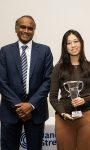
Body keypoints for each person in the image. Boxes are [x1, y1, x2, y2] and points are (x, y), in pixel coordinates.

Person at [0, 15, 53, 150]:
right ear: (16, 29)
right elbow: (2, 81)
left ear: (34, 31)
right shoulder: (5, 51)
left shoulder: (44, 51)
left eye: (30, 28)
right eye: (22, 27)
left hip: (36, 112)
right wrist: (20, 107)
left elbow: (48, 80)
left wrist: (31, 105)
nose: (26, 30)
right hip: (10, 112)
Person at [49, 29, 90, 150]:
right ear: (65, 46)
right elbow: (52, 98)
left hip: (87, 115)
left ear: (81, 43)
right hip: (64, 118)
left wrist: (84, 100)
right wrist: (63, 113)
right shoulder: (58, 68)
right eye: (68, 43)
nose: (73, 45)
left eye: (76, 41)